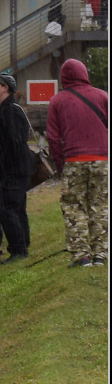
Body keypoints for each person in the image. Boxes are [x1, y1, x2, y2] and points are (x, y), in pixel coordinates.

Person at [46, 57, 109, 266]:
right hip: (102, 160)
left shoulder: (57, 101)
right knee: (100, 205)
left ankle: (82, 255)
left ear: (63, 77)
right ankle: (101, 255)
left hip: (73, 160)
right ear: (85, 74)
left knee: (74, 206)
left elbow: (53, 138)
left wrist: (60, 165)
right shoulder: (102, 96)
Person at [0, 72, 33, 261]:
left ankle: (18, 250)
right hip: (14, 169)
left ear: (5, 88)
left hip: (13, 170)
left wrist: (4, 168)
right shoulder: (7, 109)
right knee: (16, 208)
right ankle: (22, 244)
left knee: (7, 208)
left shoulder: (11, 111)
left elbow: (14, 142)